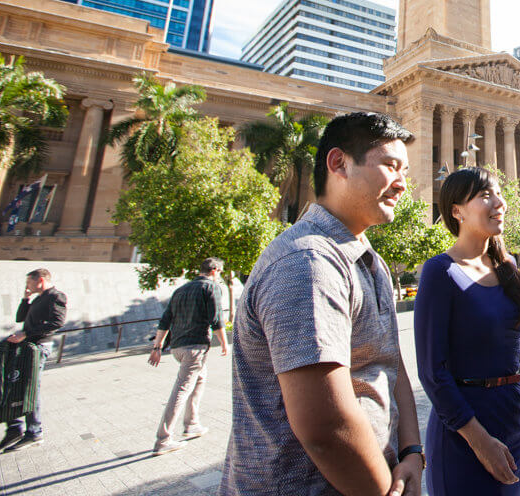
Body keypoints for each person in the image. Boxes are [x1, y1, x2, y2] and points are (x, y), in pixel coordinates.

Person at [220, 112, 424, 496]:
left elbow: (389, 365)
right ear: (338, 164)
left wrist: (412, 451)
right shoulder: (307, 262)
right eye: (390, 166)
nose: (402, 184)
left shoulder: (367, 259)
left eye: (406, 171)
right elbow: (325, 429)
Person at [415, 167, 520, 495]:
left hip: (510, 426)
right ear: (456, 211)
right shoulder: (440, 273)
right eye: (485, 195)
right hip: (462, 436)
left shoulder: (507, 268)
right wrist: (479, 441)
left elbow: (517, 343)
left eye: (499, 194)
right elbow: (432, 373)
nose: (499, 203)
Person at [149, 256, 229, 455]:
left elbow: (165, 319)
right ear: (214, 270)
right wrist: (225, 343)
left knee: (200, 379)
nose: (219, 276)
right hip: (195, 346)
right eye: (219, 273)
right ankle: (163, 439)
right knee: (182, 389)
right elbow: (216, 318)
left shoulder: (181, 290)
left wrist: (157, 347)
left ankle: (191, 423)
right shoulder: (211, 288)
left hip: (177, 347)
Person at [0, 268, 66, 452]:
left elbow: (57, 322)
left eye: (29, 283)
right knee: (13, 384)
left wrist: (26, 334)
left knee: (30, 388)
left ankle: (34, 432)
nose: (27, 286)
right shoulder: (38, 298)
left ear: (40, 280)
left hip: (38, 348)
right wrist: (25, 298)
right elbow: (19, 317)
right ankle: (15, 427)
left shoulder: (56, 296)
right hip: (26, 347)